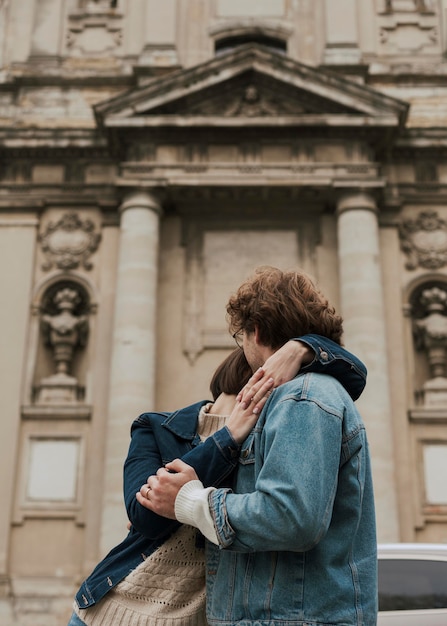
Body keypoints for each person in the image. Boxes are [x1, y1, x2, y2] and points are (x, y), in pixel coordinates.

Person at [68, 333, 366, 624]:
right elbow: (144, 518)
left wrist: (300, 349)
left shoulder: (264, 441)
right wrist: (227, 438)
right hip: (112, 612)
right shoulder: (155, 427)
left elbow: (356, 376)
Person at [140, 266, 377, 626]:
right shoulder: (307, 393)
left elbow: (290, 517)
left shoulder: (301, 396)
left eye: (240, 338)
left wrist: (189, 501)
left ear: (257, 330)